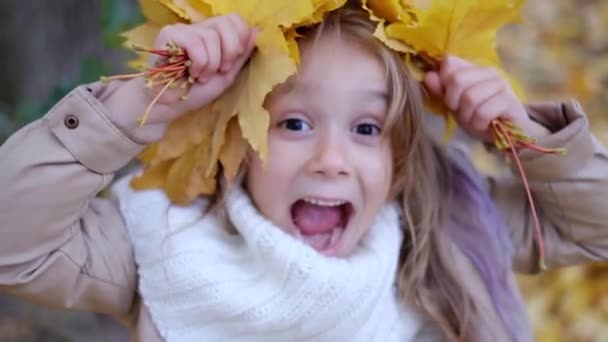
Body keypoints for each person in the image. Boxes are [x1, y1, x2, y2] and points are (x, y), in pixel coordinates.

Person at [1, 3, 607, 342]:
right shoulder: (166, 242)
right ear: (236, 139)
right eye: (293, 124)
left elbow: (595, 229)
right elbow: (12, 243)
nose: (330, 159)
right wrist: (149, 101)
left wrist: (521, 136)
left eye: (367, 129)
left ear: (398, 164)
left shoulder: (445, 232)